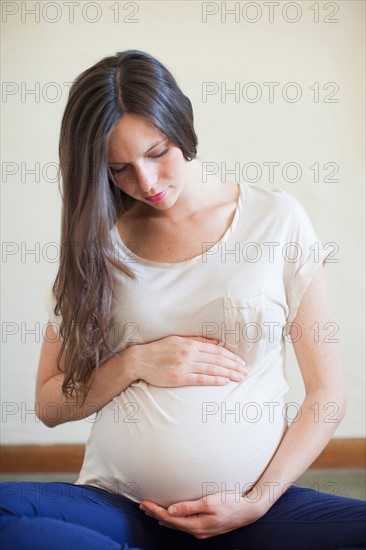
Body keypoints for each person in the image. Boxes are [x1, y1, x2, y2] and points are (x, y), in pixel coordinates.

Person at [0, 49, 365, 550]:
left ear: (183, 122)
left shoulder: (276, 220)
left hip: (253, 512)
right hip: (122, 505)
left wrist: (256, 501)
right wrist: (135, 362)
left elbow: (328, 396)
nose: (145, 183)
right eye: (119, 168)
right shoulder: (98, 245)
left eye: (157, 153)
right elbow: (48, 404)